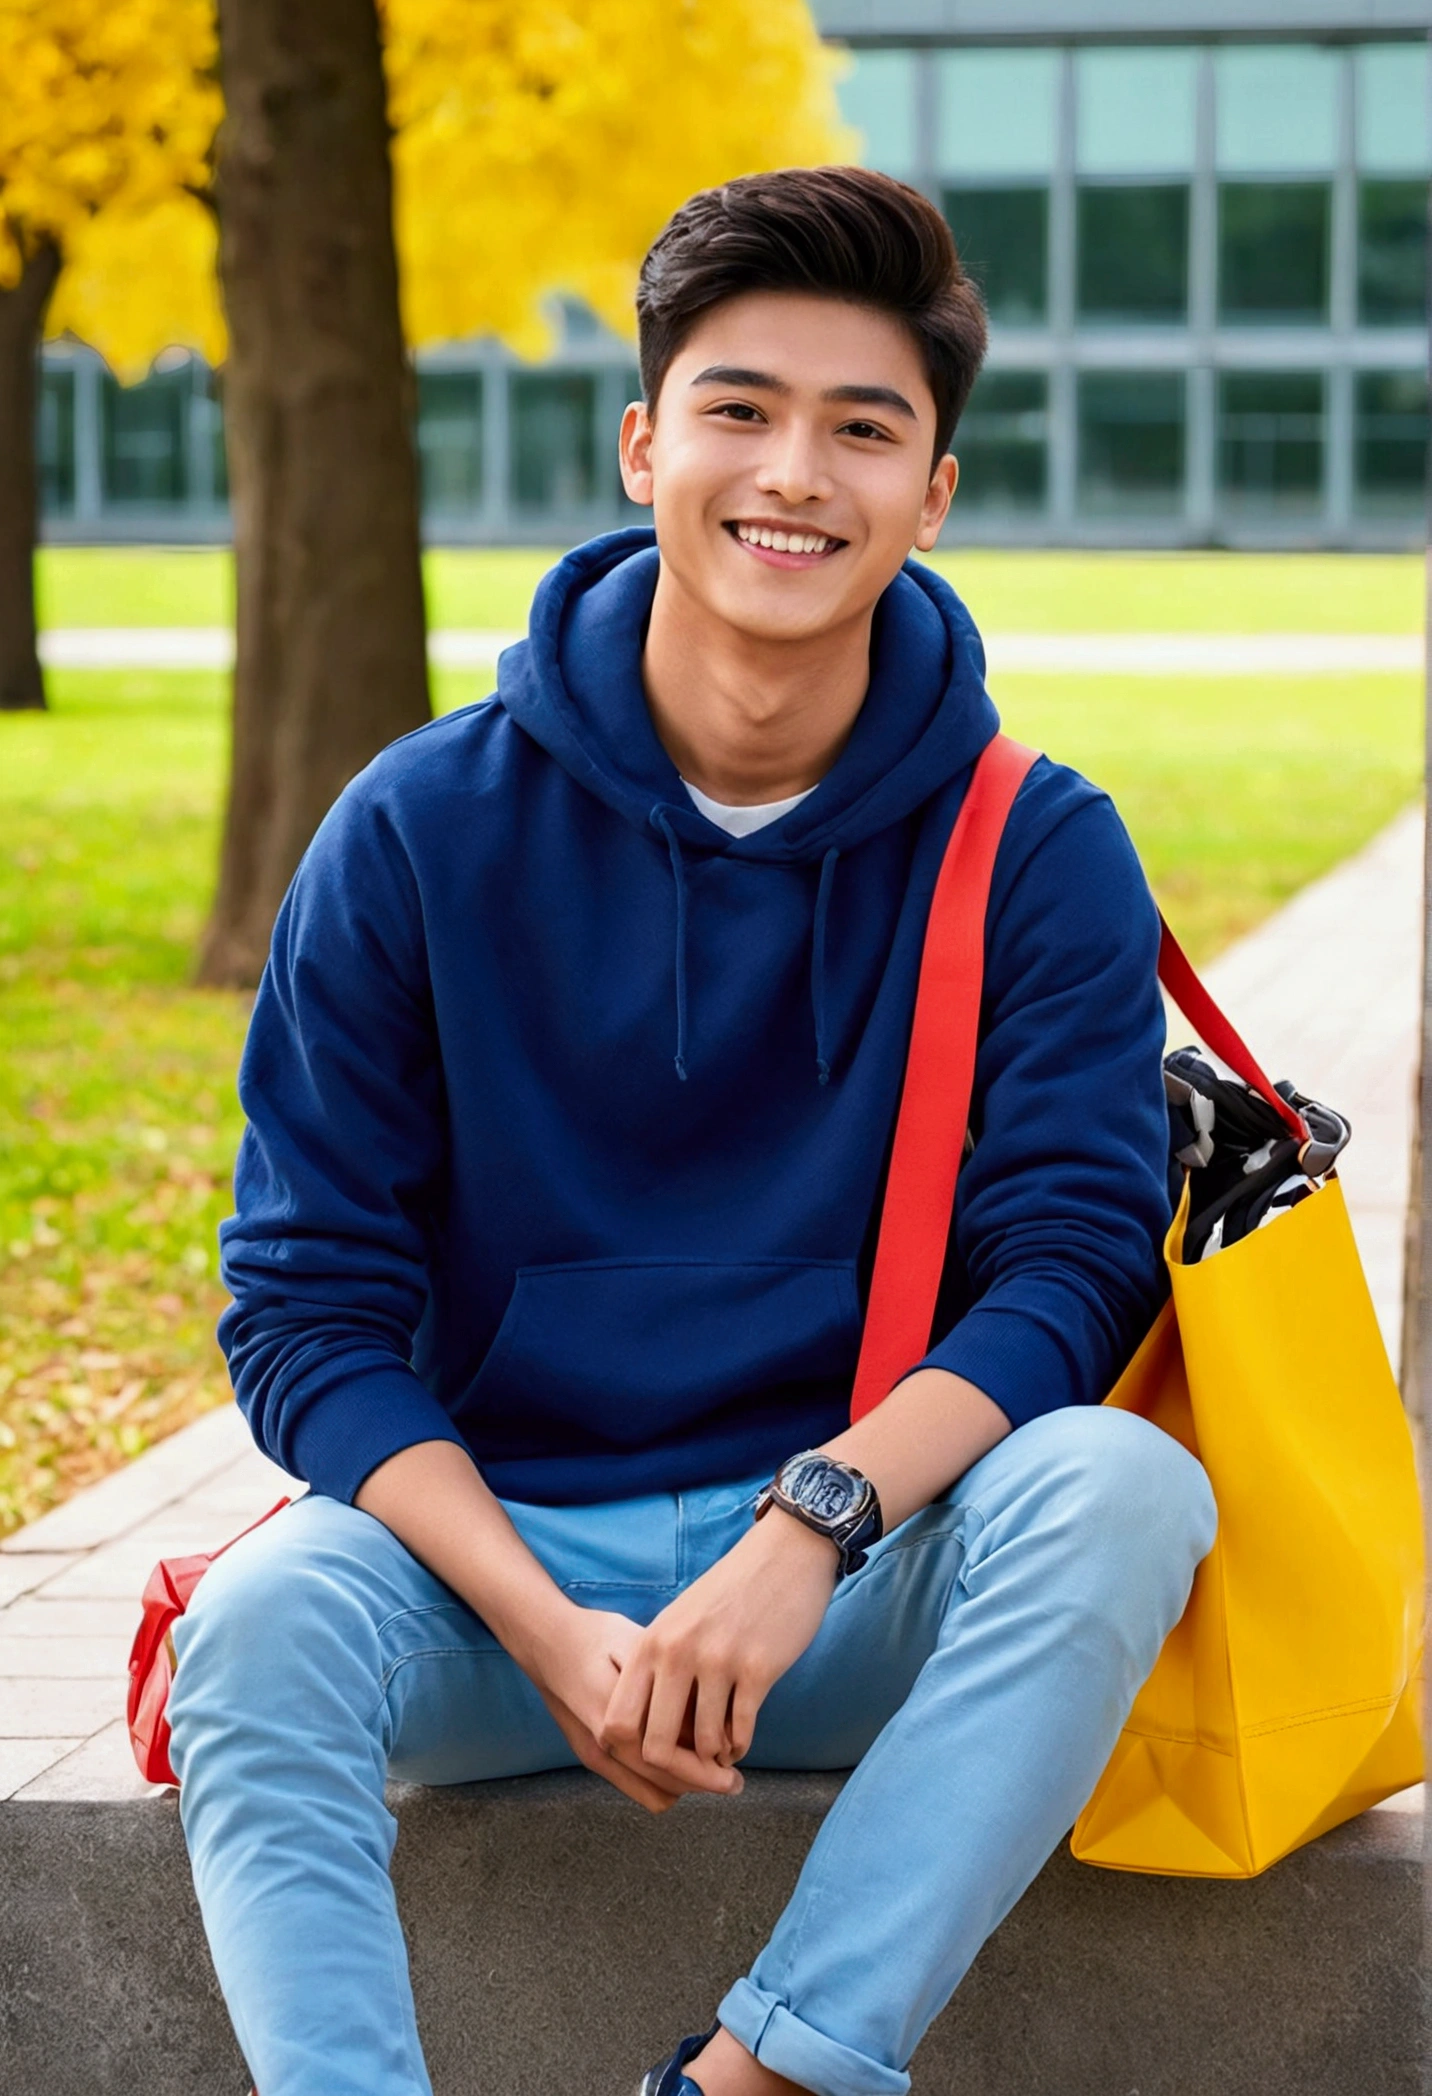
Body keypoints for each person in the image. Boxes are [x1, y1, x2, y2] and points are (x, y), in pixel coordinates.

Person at [168, 166, 1216, 2096]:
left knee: (1126, 1493)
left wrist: (812, 1524)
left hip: (855, 1571)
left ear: (933, 494)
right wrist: (543, 1619)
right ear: (647, 443)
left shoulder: (1037, 843)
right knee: (256, 1628)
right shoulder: (412, 832)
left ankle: (758, 2076)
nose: (793, 473)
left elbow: (1071, 1268)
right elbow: (305, 1306)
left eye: (864, 428)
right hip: (500, 1580)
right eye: (741, 409)